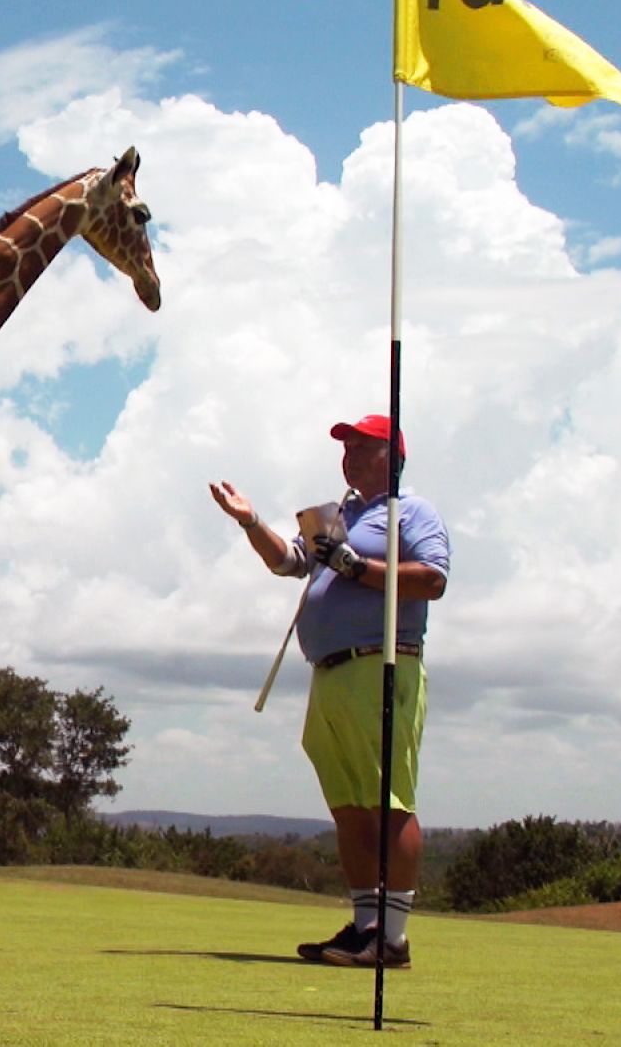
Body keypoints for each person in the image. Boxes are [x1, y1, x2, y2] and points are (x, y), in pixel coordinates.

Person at [209, 415, 449, 970]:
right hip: (331, 672)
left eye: (360, 448)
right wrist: (251, 523)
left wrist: (357, 566)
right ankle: (365, 927)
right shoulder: (338, 514)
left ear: (390, 455)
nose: (348, 457)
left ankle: (392, 938)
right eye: (346, 448)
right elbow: (289, 562)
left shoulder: (412, 512)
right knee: (349, 807)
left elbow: (432, 579)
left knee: (388, 802)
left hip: (382, 665)